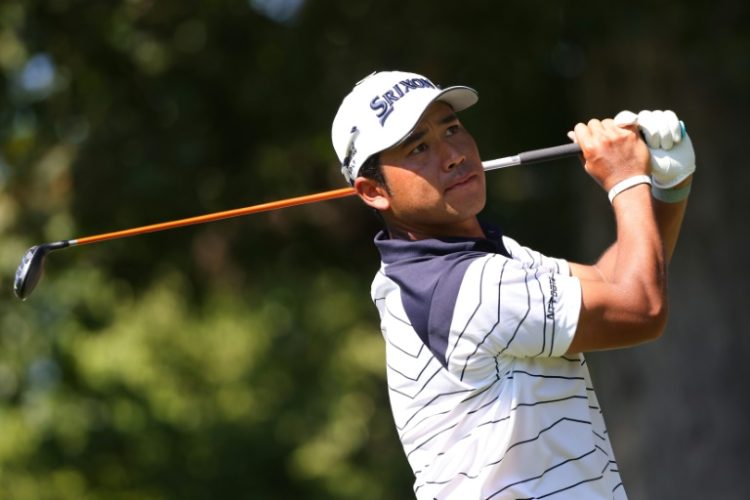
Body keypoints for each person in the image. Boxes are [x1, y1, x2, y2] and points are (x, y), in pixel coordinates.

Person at [331, 71, 694, 499]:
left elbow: (614, 283)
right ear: (373, 191)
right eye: (420, 148)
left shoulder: (483, 259)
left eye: (452, 129)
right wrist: (626, 180)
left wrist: (667, 188)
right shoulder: (462, 286)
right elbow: (640, 310)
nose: (452, 155)